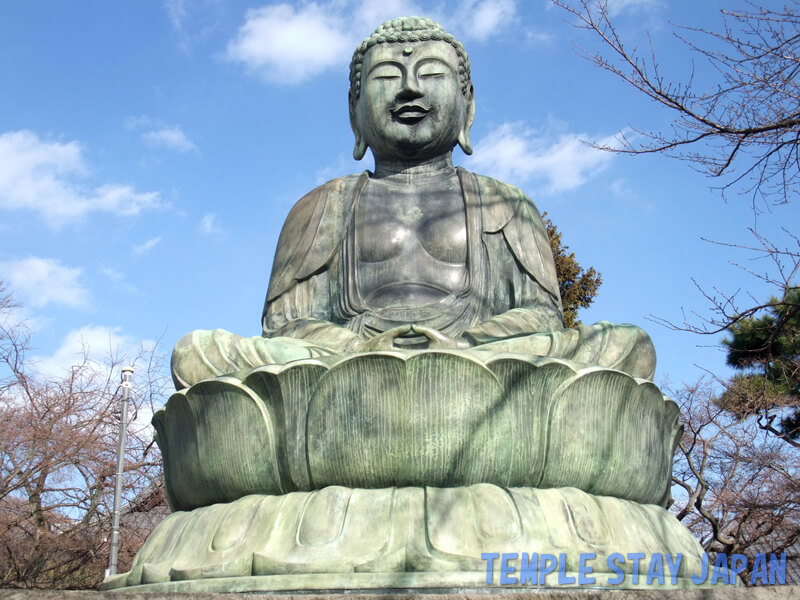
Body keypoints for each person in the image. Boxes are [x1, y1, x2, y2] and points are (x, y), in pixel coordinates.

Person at [171, 17, 655, 390]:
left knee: (625, 347)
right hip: (347, 369)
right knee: (198, 353)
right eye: (387, 76)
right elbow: (285, 325)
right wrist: (359, 345)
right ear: (354, 112)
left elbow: (542, 317)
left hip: (479, 364)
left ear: (468, 104)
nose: (409, 89)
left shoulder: (505, 203)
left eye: (431, 74)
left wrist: (464, 342)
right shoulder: (322, 206)